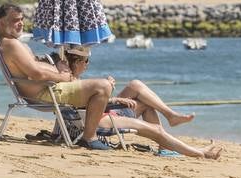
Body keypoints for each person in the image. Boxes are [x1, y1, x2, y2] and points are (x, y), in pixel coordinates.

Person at [55, 45, 221, 160]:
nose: (88, 65)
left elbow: (85, 102)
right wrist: (111, 96)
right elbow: (89, 105)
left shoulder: (68, 78)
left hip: (99, 113)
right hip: (99, 119)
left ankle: (170, 118)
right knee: (155, 128)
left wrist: (108, 92)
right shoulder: (70, 80)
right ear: (77, 62)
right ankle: (200, 153)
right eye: (86, 61)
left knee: (136, 86)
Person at [0, 3, 111, 149]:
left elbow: (35, 65)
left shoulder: (9, 43)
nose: (21, 24)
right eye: (15, 20)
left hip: (44, 91)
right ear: (1, 23)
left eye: (22, 19)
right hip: (44, 94)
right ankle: (89, 137)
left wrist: (56, 68)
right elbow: (36, 73)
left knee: (99, 87)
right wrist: (62, 77)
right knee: (103, 87)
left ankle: (74, 131)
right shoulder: (11, 44)